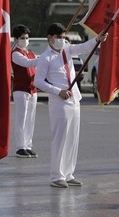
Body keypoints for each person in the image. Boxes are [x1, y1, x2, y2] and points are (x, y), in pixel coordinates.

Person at [34, 23, 107, 188]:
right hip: (59, 102)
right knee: (60, 139)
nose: (62, 40)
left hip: (74, 99)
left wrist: (97, 39)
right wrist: (57, 90)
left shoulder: (67, 48)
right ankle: (56, 176)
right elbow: (38, 81)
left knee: (72, 138)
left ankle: (68, 173)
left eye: (63, 37)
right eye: (59, 37)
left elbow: (82, 47)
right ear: (50, 38)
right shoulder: (45, 58)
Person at [11, 24, 39, 158]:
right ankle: (20, 146)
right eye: (22, 38)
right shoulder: (15, 54)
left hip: (33, 89)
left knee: (30, 119)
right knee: (21, 118)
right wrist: (45, 58)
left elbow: (37, 69)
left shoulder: (31, 53)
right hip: (21, 89)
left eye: (27, 38)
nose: (25, 40)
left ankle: (28, 145)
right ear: (16, 39)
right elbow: (28, 63)